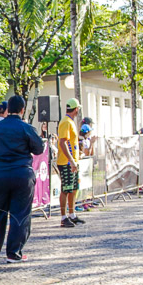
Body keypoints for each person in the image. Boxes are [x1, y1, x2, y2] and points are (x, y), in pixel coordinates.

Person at [0, 95, 44, 262]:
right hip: (21, 173)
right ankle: (14, 252)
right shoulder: (25, 127)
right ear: (22, 110)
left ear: (7, 109)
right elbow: (39, 148)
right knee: (20, 214)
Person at [57, 98, 83, 228]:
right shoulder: (66, 122)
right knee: (66, 189)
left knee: (73, 188)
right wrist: (71, 160)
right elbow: (62, 142)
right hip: (66, 162)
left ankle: (72, 214)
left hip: (71, 162)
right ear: (76, 109)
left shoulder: (69, 121)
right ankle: (63, 217)